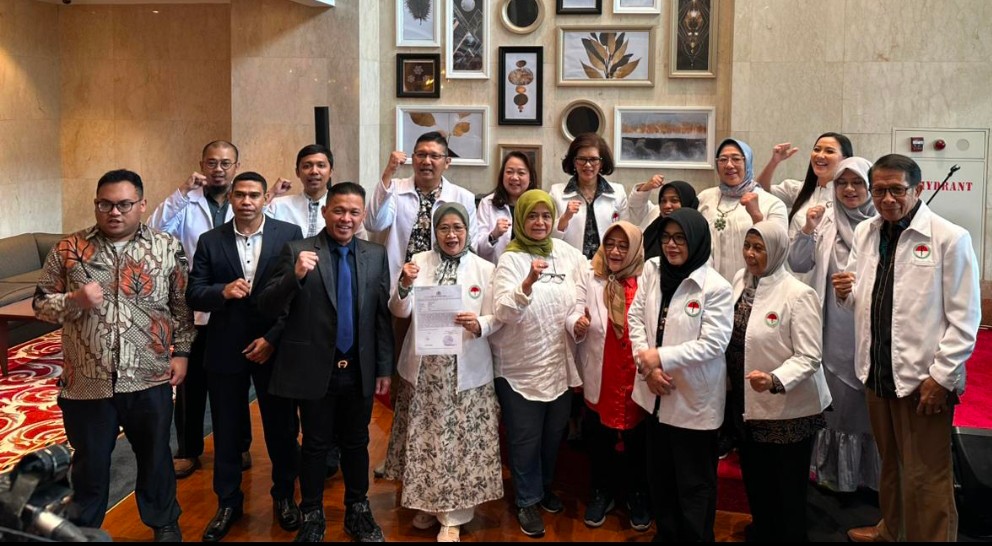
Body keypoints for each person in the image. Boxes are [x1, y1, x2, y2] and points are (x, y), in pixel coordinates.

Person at [33, 169, 194, 542]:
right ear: (96, 205)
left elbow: (181, 307)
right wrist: (74, 300)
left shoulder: (166, 247)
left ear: (142, 204)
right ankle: (82, 531)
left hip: (149, 376)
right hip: (86, 381)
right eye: (105, 204)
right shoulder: (69, 249)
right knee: (89, 464)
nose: (114, 212)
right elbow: (40, 305)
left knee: (156, 458)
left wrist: (183, 352)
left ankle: (164, 523)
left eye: (124, 204)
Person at [836, 154, 980, 543]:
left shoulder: (949, 238)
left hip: (924, 379)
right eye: (879, 190)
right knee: (891, 464)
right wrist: (846, 294)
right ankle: (892, 530)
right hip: (878, 370)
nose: (887, 199)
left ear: (917, 189)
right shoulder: (867, 232)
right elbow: (864, 299)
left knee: (926, 474)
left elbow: (966, 318)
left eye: (897, 190)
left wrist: (942, 377)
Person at [257, 182, 394, 543]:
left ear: (362, 216)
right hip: (315, 368)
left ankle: (358, 511)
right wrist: (295, 275)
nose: (345, 218)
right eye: (339, 210)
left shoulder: (375, 254)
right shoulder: (298, 250)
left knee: (357, 442)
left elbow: (380, 317)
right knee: (315, 444)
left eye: (353, 212)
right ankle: (312, 513)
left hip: (359, 368)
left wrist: (384, 368)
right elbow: (268, 306)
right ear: (325, 211)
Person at [186, 172, 304, 541]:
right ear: (231, 198)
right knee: (226, 429)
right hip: (225, 347)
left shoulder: (289, 234)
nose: (247, 201)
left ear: (265, 198)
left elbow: (297, 295)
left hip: (274, 347)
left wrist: (272, 338)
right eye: (240, 195)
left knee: (282, 429)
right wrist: (222, 292)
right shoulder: (211, 240)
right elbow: (194, 292)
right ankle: (228, 502)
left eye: (254, 195)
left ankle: (284, 496)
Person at [383, 203, 504, 543]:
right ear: (435, 231)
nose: (451, 235)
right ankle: (429, 503)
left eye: (458, 228)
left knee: (459, 444)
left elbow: (498, 316)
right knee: (428, 440)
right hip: (424, 373)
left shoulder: (485, 268)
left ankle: (453, 517)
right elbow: (399, 310)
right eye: (444, 228)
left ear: (468, 231)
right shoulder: (419, 262)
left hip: (465, 372)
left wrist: (479, 324)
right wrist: (404, 284)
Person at [628, 209, 734, 542]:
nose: (671, 245)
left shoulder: (716, 287)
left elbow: (714, 344)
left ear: (697, 241)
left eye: (680, 239)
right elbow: (635, 319)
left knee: (694, 484)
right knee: (660, 478)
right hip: (655, 394)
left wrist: (661, 357)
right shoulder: (653, 269)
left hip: (693, 402)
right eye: (666, 238)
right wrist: (648, 366)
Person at [148, 140, 252, 479]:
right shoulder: (187, 201)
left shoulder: (243, 201)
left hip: (234, 305)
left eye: (225, 163)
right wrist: (181, 192)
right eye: (212, 162)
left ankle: (239, 444)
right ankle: (188, 449)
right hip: (194, 304)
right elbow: (153, 231)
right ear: (202, 164)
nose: (218, 169)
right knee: (190, 384)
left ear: (236, 166)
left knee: (235, 381)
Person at [489, 189, 586, 537]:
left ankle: (543, 489)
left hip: (558, 364)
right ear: (520, 219)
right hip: (520, 366)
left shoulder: (567, 253)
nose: (540, 223)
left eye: (546, 216)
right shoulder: (510, 259)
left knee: (552, 435)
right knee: (525, 438)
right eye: (532, 216)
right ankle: (526, 500)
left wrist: (577, 319)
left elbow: (581, 292)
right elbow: (503, 311)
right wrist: (527, 284)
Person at [729, 221, 831, 542]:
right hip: (746, 403)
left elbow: (810, 356)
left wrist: (775, 379)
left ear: (776, 250)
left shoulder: (799, 294)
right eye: (747, 246)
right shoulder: (740, 280)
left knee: (786, 490)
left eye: (759, 248)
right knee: (756, 482)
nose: (750, 254)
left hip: (787, 411)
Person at [788, 157, 880, 493]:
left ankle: (870, 476)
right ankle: (834, 476)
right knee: (836, 406)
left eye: (857, 183)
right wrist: (807, 229)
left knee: (866, 407)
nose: (849, 189)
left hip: (871, 331)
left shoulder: (883, 225)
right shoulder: (825, 220)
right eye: (842, 183)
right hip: (830, 331)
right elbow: (798, 262)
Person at [566, 221, 651, 531]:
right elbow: (575, 308)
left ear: (635, 249)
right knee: (599, 436)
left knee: (637, 439)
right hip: (602, 369)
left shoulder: (648, 276)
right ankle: (601, 491)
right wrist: (576, 323)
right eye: (610, 244)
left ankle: (637, 494)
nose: (615, 251)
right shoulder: (590, 274)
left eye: (623, 245)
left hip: (635, 370)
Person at [366, 131, 479, 287]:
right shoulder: (395, 189)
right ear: (413, 160)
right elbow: (373, 224)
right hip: (399, 282)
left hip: (444, 285)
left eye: (434, 156)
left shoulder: (463, 197)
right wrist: (388, 172)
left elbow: (470, 246)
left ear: (447, 162)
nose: (426, 161)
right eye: (421, 155)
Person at [697, 138, 788, 283]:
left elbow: (779, 250)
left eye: (736, 159)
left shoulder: (772, 203)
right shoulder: (704, 198)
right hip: (710, 287)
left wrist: (756, 215)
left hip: (753, 286)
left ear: (748, 163)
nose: (729, 165)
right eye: (723, 160)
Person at [549, 132, 628, 259]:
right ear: (574, 162)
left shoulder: (618, 192)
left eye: (593, 159)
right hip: (569, 264)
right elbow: (549, 238)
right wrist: (565, 218)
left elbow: (626, 234)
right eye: (582, 159)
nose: (587, 165)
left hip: (608, 264)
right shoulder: (556, 193)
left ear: (602, 163)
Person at [756, 133, 853, 234]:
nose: (820, 155)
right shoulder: (798, 189)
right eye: (817, 150)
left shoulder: (848, 197)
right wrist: (774, 161)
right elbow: (760, 191)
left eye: (829, 151)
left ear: (845, 159)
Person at [267, 143, 368, 241]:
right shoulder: (278, 205)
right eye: (307, 166)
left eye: (321, 165)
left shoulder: (345, 207)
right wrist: (272, 192)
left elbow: (362, 245)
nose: (314, 171)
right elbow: (259, 227)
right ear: (297, 172)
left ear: (331, 172)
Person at [474, 151, 539, 264]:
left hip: (530, 268)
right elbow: (478, 248)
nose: (514, 177)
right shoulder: (487, 203)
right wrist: (494, 235)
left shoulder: (539, 204)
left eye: (521, 173)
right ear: (502, 176)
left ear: (530, 178)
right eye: (509, 172)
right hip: (496, 269)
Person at [628, 176, 700, 260]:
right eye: (663, 201)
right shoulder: (655, 221)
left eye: (674, 200)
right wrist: (646, 187)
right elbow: (635, 205)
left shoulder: (696, 232)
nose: (667, 206)